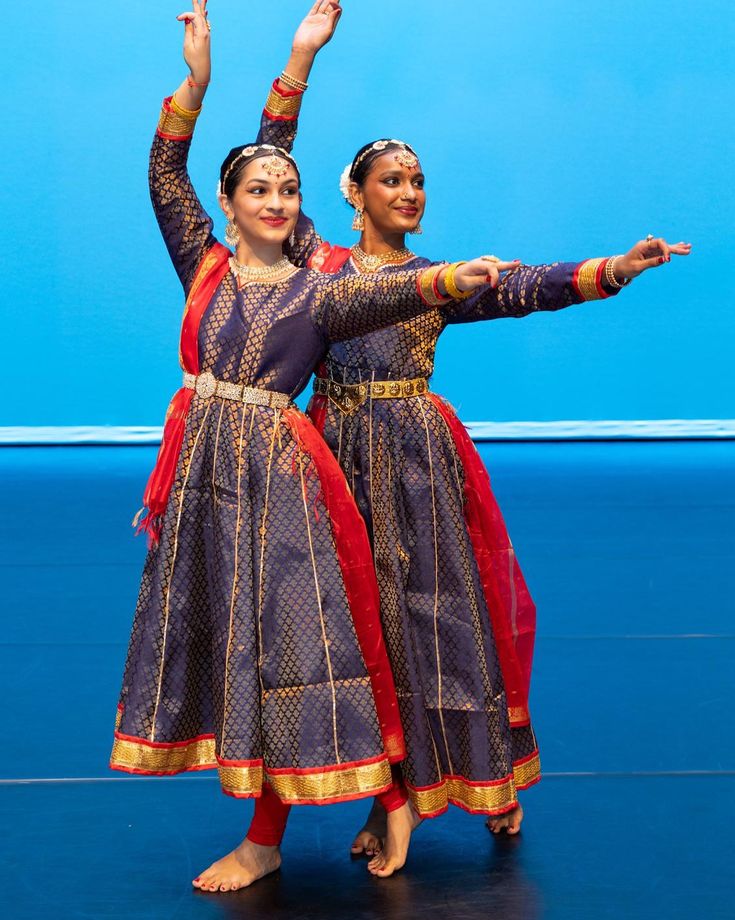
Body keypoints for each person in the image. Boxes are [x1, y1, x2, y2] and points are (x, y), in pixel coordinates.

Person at [254, 0, 692, 878]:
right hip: (335, 461)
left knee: (438, 623)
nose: (411, 191)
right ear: (355, 194)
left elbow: (528, 285)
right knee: (353, 628)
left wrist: (616, 269)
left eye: (419, 180)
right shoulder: (316, 260)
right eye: (393, 179)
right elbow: (272, 163)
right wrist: (300, 58)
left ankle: (474, 779)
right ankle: (390, 793)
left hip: (416, 467)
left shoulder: (441, 280)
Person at [109, 0, 501, 894]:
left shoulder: (320, 288)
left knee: (281, 646)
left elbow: (392, 296)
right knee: (225, 641)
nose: (279, 202)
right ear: (228, 203)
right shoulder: (202, 262)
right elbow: (166, 164)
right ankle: (349, 805)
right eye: (261, 191)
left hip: (278, 481)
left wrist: (451, 278)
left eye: (289, 192)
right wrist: (221, 76)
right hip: (204, 477)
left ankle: (278, 831)